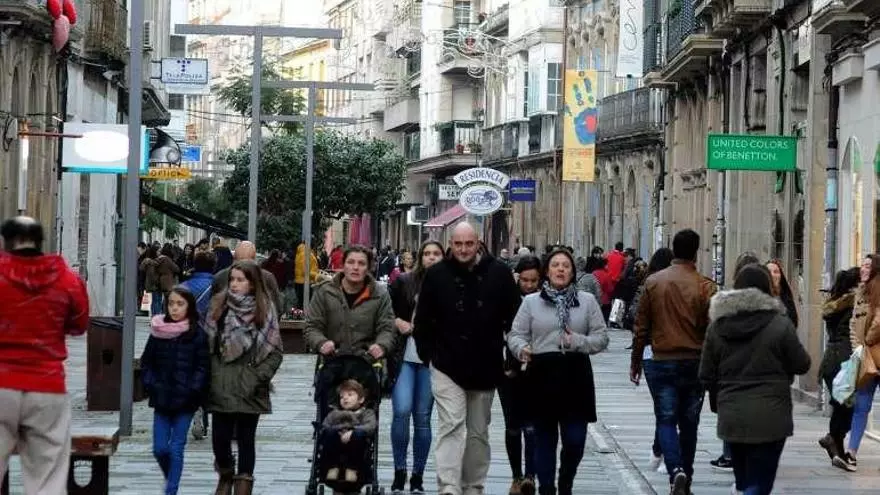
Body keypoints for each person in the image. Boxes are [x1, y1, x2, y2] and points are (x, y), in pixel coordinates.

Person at [413, 222, 521, 495]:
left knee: (478, 432)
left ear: (478, 243)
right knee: (451, 425)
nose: (463, 250)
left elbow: (515, 318)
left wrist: (512, 357)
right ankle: (449, 487)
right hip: (446, 363)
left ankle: (473, 486)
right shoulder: (437, 274)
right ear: (451, 244)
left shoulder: (499, 273)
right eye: (458, 244)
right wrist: (429, 357)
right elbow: (422, 320)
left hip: (486, 364)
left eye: (469, 244)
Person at [699, 264, 811, 495]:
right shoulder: (780, 324)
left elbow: (706, 374)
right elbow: (802, 364)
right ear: (767, 289)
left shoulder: (717, 327)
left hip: (732, 414)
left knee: (743, 481)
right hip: (772, 416)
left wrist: (720, 398)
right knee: (761, 483)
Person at [508, 249, 609, 495]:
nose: (561, 269)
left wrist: (577, 341)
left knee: (575, 441)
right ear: (547, 271)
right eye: (555, 265)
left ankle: (566, 480)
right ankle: (546, 488)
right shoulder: (532, 302)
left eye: (566, 265)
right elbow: (516, 334)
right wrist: (521, 349)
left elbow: (601, 338)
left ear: (573, 272)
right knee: (544, 440)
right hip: (542, 376)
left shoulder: (586, 301)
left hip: (576, 376)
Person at [0, 216, 89, 495]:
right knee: (48, 476)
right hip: (47, 385)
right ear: (41, 242)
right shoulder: (65, 279)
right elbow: (79, 323)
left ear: (6, 241)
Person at [630, 229, 716, 495]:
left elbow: (641, 327)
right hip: (694, 362)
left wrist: (635, 362)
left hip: (662, 360)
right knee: (690, 424)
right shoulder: (706, 286)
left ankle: (675, 471)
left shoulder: (654, 282)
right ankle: (685, 479)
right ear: (696, 253)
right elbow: (713, 329)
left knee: (666, 419)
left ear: (674, 250)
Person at [205, 260, 284, 495]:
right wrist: (212, 374)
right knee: (220, 439)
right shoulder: (219, 306)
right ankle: (225, 474)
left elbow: (275, 351)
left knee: (246, 439)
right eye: (232, 279)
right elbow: (206, 345)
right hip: (222, 382)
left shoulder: (265, 310)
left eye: (241, 280)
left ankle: (243, 487)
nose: (234, 284)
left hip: (251, 385)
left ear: (252, 283)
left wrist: (258, 377)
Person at [140, 286, 210, 495]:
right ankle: (171, 476)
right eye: (171, 303)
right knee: (160, 448)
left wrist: (194, 388)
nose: (175, 308)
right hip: (161, 397)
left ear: (189, 306)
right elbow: (147, 362)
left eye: (180, 304)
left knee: (176, 448)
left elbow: (203, 366)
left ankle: (171, 490)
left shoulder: (197, 334)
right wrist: (151, 383)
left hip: (186, 400)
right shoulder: (158, 331)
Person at [388, 241, 445, 495]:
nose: (431, 257)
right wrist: (397, 321)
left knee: (422, 417)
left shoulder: (450, 285)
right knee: (401, 411)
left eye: (436, 254)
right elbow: (385, 311)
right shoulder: (404, 282)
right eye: (427, 253)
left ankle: (417, 476)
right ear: (420, 257)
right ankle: (399, 471)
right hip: (405, 356)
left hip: (431, 360)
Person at [304, 245, 396, 360]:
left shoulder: (380, 295)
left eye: (361, 263)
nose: (355, 267)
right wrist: (321, 343)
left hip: (367, 361)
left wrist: (381, 345)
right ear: (343, 265)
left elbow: (387, 328)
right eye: (351, 262)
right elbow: (312, 326)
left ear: (368, 268)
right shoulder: (325, 292)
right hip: (331, 361)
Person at [629, 247, 674, 473]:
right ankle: (662, 451)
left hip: (650, 353)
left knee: (663, 406)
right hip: (673, 352)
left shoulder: (648, 285)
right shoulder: (679, 287)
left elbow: (636, 321)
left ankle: (661, 449)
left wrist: (635, 361)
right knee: (669, 408)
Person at [501, 255, 543, 495]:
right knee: (513, 426)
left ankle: (530, 476)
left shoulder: (545, 300)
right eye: (525, 280)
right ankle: (516, 475)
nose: (529, 285)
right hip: (510, 370)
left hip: (537, 370)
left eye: (533, 280)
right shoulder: (508, 300)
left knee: (532, 426)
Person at [817, 267, 859, 470]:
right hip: (843, 359)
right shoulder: (852, 306)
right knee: (847, 405)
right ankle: (832, 439)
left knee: (842, 404)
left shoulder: (836, 306)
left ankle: (837, 449)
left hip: (832, 360)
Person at [843, 254, 880, 470]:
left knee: (861, 405)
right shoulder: (860, 292)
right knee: (861, 405)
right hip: (865, 357)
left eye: (867, 265)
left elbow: (878, 322)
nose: (863, 269)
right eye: (862, 266)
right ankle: (851, 452)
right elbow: (852, 324)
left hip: (874, 353)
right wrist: (857, 347)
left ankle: (851, 451)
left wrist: (866, 341)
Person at [180, 250, 217, 440]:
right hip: (210, 340)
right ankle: (204, 411)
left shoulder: (183, 288)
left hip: (186, 340)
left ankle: (194, 410)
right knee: (208, 378)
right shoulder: (218, 287)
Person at [321, 379, 379, 484]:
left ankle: (352, 468)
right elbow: (325, 425)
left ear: (361, 399)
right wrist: (338, 431)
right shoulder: (334, 413)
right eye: (341, 396)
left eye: (350, 395)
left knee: (359, 435)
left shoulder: (366, 413)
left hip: (356, 444)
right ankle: (332, 467)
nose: (345, 398)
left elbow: (371, 426)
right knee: (329, 433)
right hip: (336, 442)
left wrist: (353, 431)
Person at [213, 241, 284, 318]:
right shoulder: (267, 278)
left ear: (234, 258)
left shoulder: (220, 277)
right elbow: (277, 308)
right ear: (254, 259)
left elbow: (211, 309)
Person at [766, 259, 799, 327]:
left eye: (776, 272)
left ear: (780, 276)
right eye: (768, 272)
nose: (772, 275)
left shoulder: (786, 299)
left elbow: (793, 323)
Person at [295, 241, 320, 309]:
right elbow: (305, 271)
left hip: (301, 281)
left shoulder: (301, 252)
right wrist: (317, 275)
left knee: (301, 305)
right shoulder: (306, 254)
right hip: (305, 283)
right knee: (305, 306)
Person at [141, 244, 163, 315]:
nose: (160, 253)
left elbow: (142, 268)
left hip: (155, 283)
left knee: (156, 300)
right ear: (154, 252)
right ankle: (156, 316)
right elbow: (151, 273)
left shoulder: (149, 260)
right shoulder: (152, 262)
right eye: (159, 251)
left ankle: (154, 316)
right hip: (155, 283)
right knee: (157, 300)